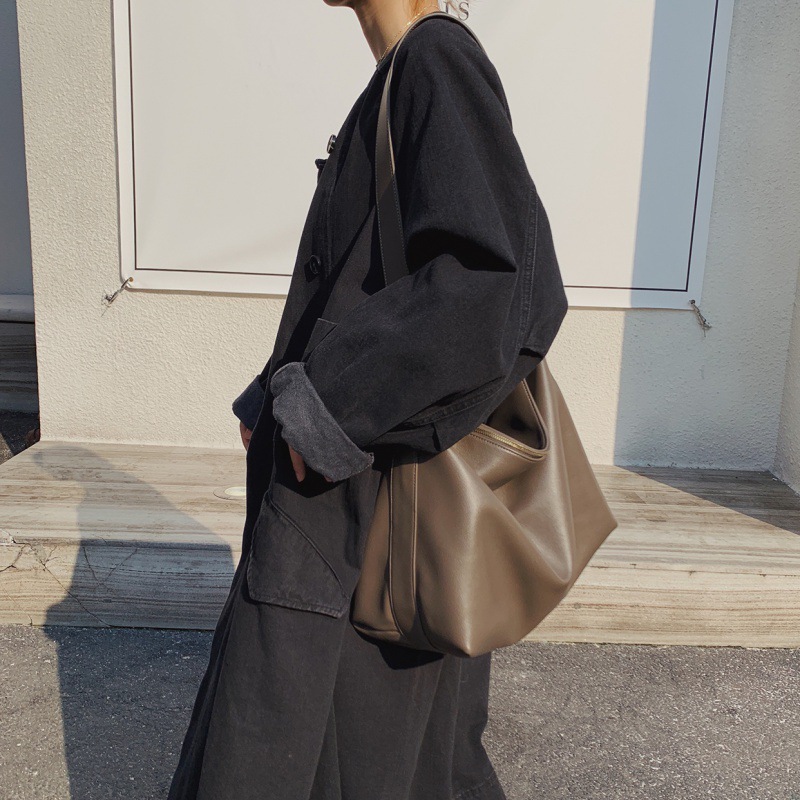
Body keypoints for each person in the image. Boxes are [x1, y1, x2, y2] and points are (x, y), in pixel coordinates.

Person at [168, 1, 568, 798]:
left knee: (311, 729)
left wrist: (329, 406)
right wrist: (271, 399)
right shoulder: (406, 73)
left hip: (363, 505)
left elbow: (493, 283)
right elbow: (368, 280)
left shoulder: (436, 61)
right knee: (357, 740)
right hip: (352, 492)